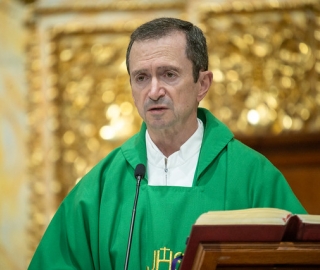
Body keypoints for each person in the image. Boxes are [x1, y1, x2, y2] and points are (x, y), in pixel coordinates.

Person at [28, 17, 306, 270]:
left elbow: (300, 260)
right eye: (141, 77)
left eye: (169, 74)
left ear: (203, 84)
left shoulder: (253, 177)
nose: (154, 91)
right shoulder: (99, 188)